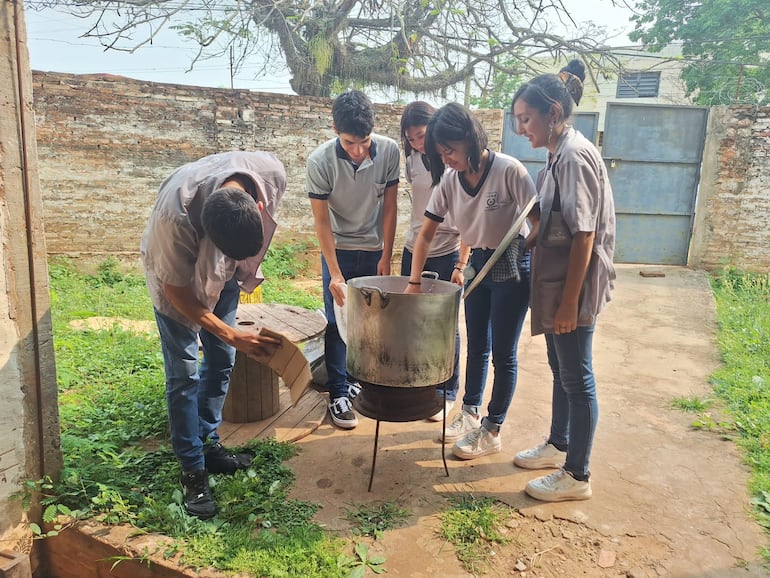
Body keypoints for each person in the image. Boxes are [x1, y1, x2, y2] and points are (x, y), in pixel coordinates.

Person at [141, 151, 286, 519]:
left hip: (225, 275)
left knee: (222, 359)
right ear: (205, 234)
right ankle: (192, 469)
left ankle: (208, 443)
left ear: (257, 204)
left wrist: (241, 271)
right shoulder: (174, 219)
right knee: (184, 375)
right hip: (179, 287)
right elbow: (177, 293)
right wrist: (231, 333)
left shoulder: (270, 175)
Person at [406, 102, 537, 460]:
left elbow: (538, 221)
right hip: (478, 263)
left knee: (503, 354)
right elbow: (425, 234)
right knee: (478, 345)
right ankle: (469, 412)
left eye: (450, 150)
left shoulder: (509, 170)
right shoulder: (449, 179)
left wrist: (529, 256)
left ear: (469, 137)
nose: (446, 158)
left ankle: (493, 429)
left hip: (512, 262)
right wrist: (414, 282)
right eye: (439, 153)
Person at [511, 59, 616, 502]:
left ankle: (577, 475)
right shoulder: (554, 157)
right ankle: (559, 444)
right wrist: (526, 240)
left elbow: (585, 234)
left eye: (526, 119)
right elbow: (555, 222)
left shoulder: (574, 155)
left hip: (575, 286)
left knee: (578, 377)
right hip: (556, 281)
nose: (521, 130)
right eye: (517, 121)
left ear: (553, 113)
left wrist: (572, 303)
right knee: (561, 370)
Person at [307, 90, 400, 429]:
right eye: (349, 143)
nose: (358, 150)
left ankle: (361, 379)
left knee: (372, 321)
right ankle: (338, 393)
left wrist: (387, 256)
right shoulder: (320, 162)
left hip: (374, 250)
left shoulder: (389, 151)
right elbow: (320, 221)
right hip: (339, 250)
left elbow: (390, 207)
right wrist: (334, 272)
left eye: (364, 142)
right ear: (335, 130)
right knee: (337, 321)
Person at [399, 101, 467, 422]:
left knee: (445, 326)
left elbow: (469, 215)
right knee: (410, 321)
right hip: (414, 248)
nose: (417, 143)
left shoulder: (452, 159)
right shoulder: (412, 159)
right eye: (411, 138)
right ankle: (419, 385)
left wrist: (460, 264)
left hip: (446, 250)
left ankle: (448, 391)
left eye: (421, 135)